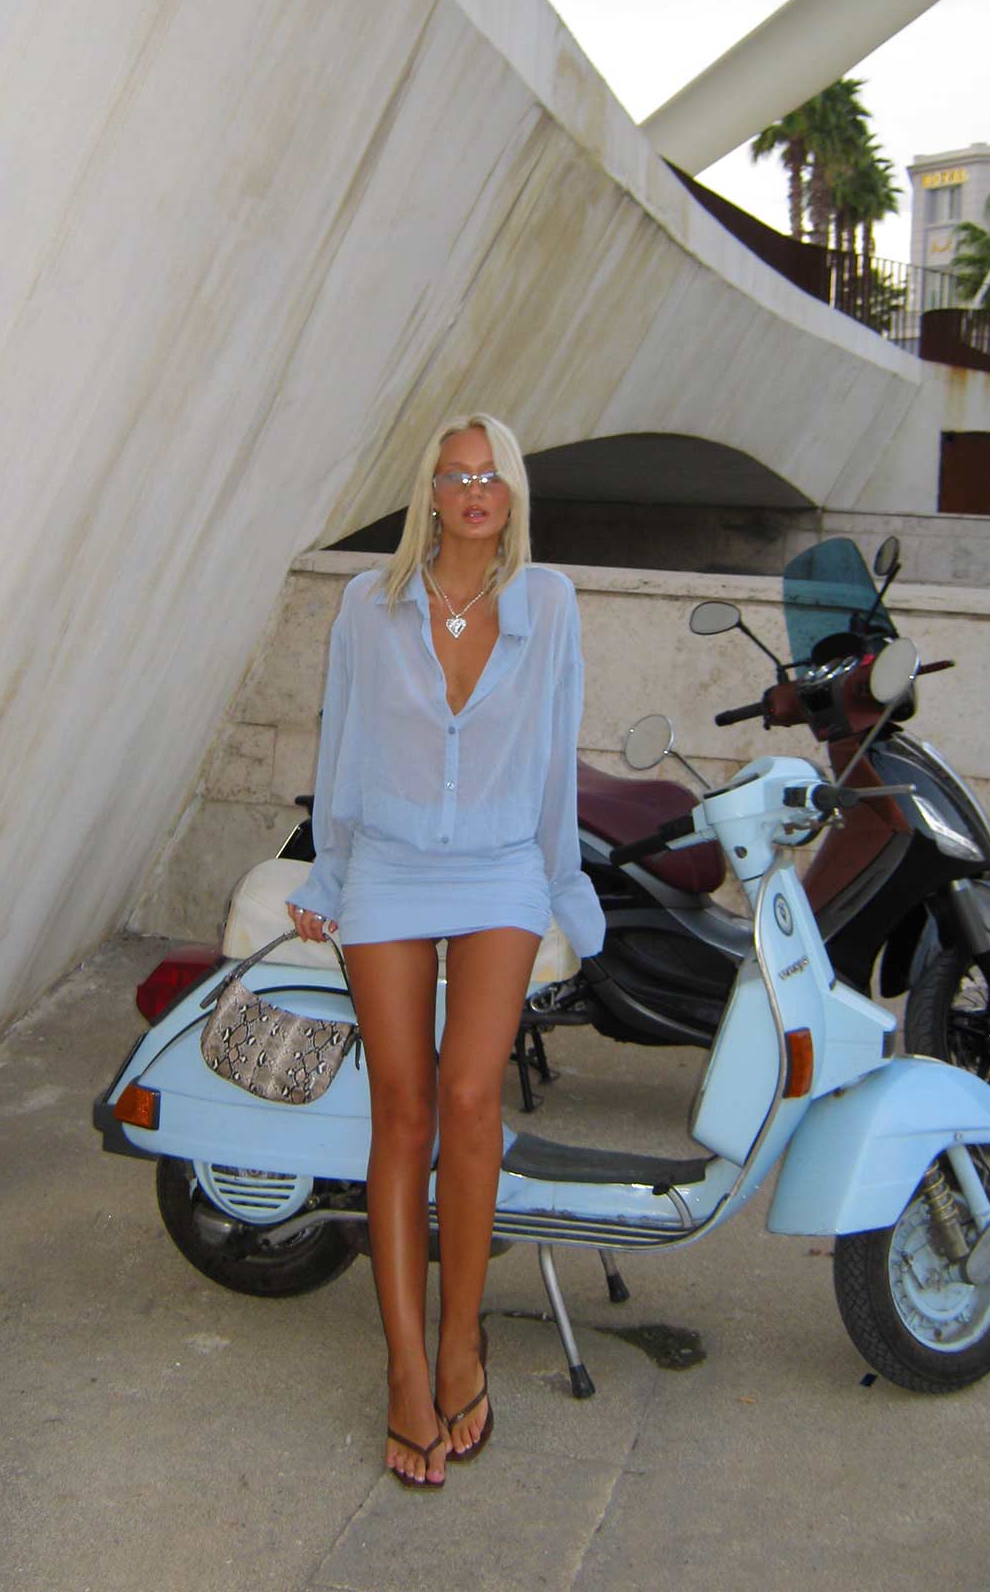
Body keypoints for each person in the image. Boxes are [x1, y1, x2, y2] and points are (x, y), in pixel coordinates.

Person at [286, 413, 604, 1490]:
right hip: (389, 864)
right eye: (456, 474)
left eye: (492, 475)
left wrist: (562, 882)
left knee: (471, 1097)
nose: (474, 490)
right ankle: (405, 1367)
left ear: (512, 495)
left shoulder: (549, 603)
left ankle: (462, 1341)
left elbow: (556, 754)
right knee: (403, 1110)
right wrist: (328, 874)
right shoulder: (368, 606)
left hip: (502, 866)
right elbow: (342, 744)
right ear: (430, 490)